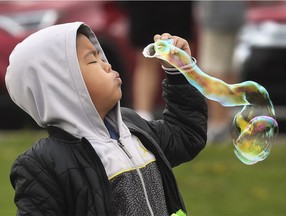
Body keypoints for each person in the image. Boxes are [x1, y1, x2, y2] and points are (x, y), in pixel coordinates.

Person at [6, 22, 207, 215]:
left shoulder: (134, 128)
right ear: (61, 86)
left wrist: (178, 71)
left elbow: (187, 133)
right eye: (93, 60)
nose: (107, 65)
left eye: (101, 57)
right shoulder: (44, 164)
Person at [123, 1, 194, 120]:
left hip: (176, 6)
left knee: (180, 51)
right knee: (146, 57)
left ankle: (186, 113)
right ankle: (143, 118)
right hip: (146, 6)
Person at [197, 1, 246, 142]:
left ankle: (218, 125)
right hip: (234, 16)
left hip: (216, 18)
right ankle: (226, 120)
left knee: (214, 68)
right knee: (228, 68)